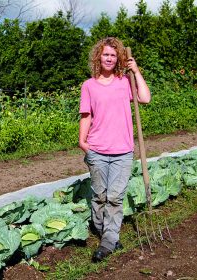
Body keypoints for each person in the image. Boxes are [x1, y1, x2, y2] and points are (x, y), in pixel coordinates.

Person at [79, 37, 151, 262]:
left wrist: (136, 71)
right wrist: (83, 142)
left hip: (122, 151)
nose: (109, 58)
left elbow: (145, 98)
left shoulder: (125, 81)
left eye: (113, 55)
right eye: (105, 54)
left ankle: (108, 242)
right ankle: (107, 234)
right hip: (97, 149)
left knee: (115, 198)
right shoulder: (89, 85)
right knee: (99, 197)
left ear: (118, 58)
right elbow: (86, 115)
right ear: (98, 57)